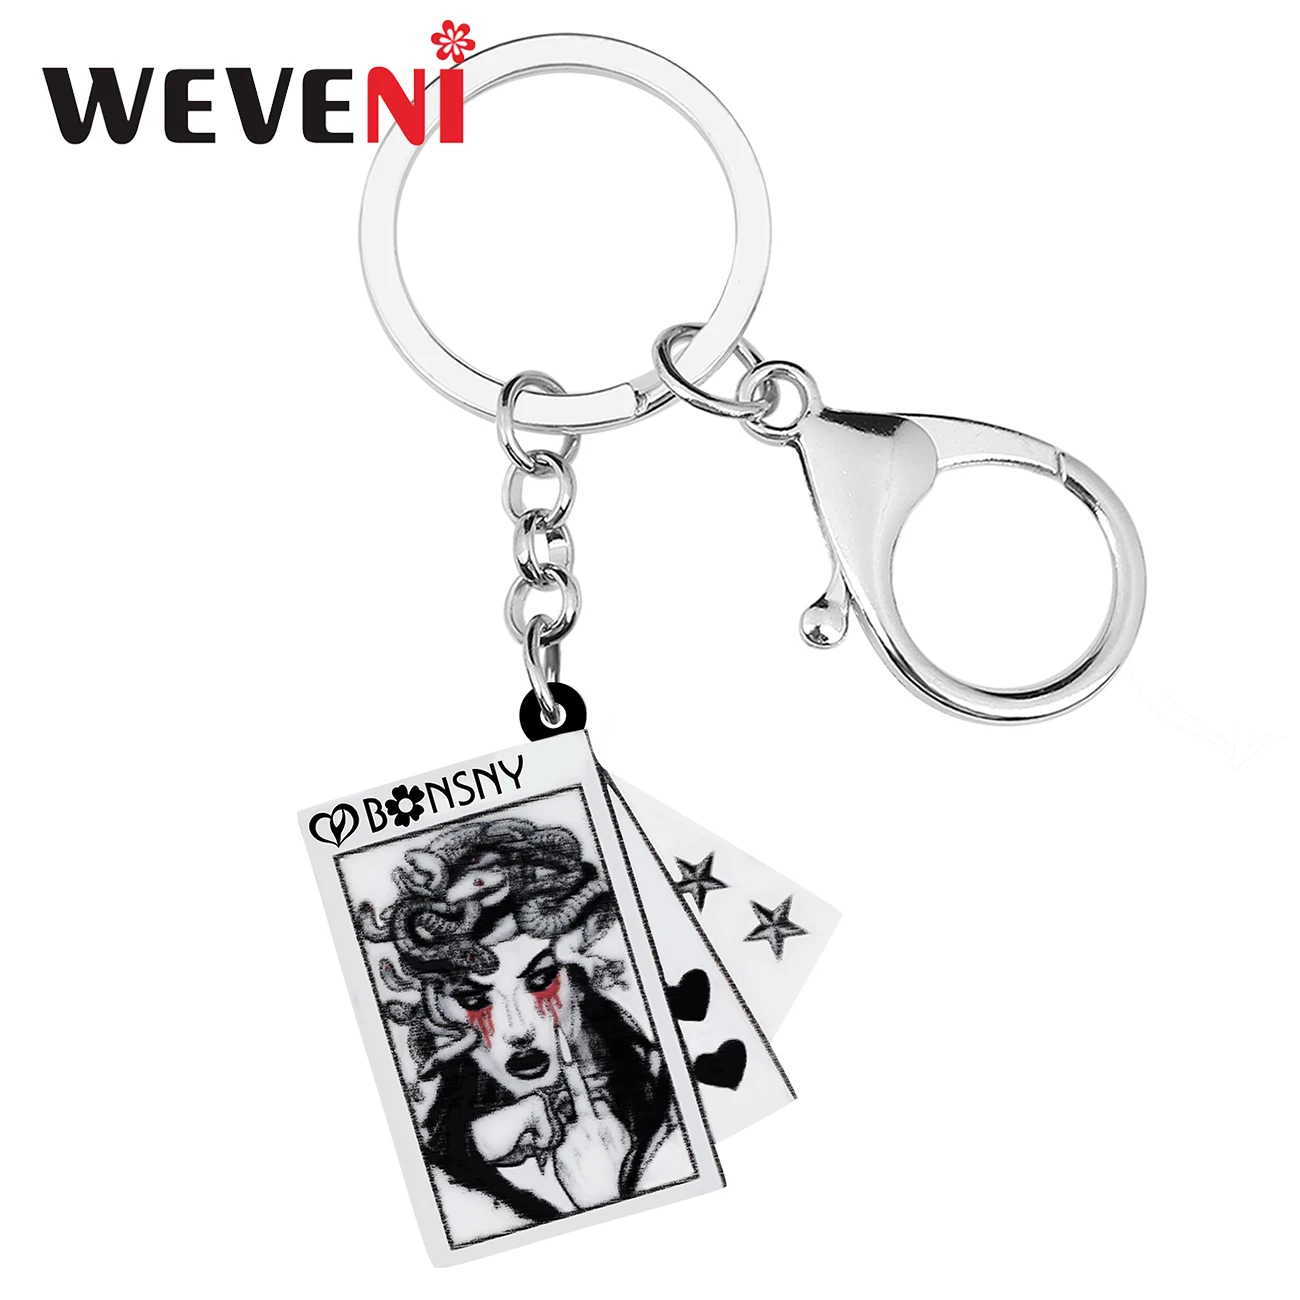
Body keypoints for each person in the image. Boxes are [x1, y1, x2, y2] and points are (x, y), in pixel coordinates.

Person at [355, 816, 677, 1226]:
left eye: (541, 980)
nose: (519, 1030)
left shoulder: (665, 1092)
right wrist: (466, 1155)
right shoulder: (426, 1176)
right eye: (475, 999)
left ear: (577, 980)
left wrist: (612, 1197)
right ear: (439, 1013)